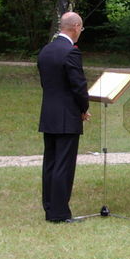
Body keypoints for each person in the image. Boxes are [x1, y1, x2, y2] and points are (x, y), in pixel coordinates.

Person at [37, 12, 91, 222]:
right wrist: (83, 109)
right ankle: (59, 213)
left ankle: (50, 207)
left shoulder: (46, 50)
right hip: (67, 116)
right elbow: (78, 86)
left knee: (50, 163)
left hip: (48, 114)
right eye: (81, 29)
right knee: (64, 165)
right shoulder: (71, 52)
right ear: (76, 27)